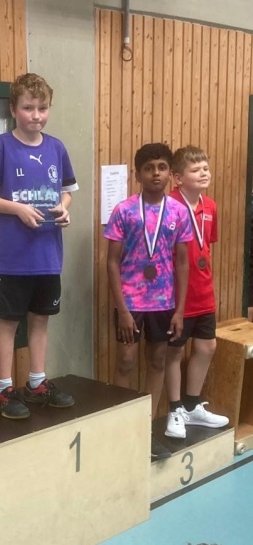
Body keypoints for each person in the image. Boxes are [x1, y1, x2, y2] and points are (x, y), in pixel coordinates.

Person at [0, 72, 78, 419]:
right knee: (9, 322)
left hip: (48, 255)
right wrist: (17, 208)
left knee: (41, 319)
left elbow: (67, 192)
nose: (36, 115)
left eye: (42, 108)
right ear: (13, 109)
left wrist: (64, 208)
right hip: (13, 257)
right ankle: (4, 389)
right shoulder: (1, 146)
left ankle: (36, 382)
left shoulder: (56, 147)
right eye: (28, 108)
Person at [104, 143, 192, 460]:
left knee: (157, 362)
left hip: (164, 304)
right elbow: (112, 262)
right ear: (137, 174)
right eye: (149, 168)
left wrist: (180, 310)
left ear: (171, 173)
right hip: (131, 303)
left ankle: (146, 430)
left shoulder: (179, 212)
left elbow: (182, 262)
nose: (156, 173)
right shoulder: (124, 210)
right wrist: (122, 310)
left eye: (162, 167)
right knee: (125, 362)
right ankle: (122, 430)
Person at [164, 146, 229, 438]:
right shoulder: (169, 206)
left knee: (207, 347)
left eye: (206, 168)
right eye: (196, 170)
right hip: (176, 296)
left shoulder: (210, 207)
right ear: (178, 178)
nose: (204, 173)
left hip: (203, 292)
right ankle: (174, 408)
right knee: (174, 351)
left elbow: (206, 247)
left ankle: (191, 405)